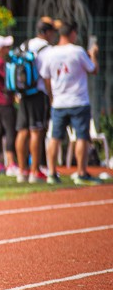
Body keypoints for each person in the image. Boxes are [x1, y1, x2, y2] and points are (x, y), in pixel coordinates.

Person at [40, 21, 100, 184]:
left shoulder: (50, 53)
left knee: (55, 137)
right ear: (73, 33)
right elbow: (93, 69)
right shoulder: (78, 51)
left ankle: (52, 173)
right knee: (81, 137)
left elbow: (45, 76)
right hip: (79, 101)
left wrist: (52, 96)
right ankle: (81, 172)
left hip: (59, 102)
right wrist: (93, 54)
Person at [15, 18, 57, 183]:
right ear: (46, 32)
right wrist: (51, 95)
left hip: (23, 94)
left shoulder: (25, 45)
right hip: (38, 94)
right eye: (52, 32)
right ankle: (34, 171)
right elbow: (47, 76)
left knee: (22, 131)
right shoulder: (47, 49)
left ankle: (21, 171)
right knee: (36, 131)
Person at [0, 35, 18, 175]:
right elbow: (10, 81)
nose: (8, 49)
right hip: (4, 103)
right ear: (0, 49)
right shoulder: (0, 63)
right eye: (6, 47)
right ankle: (11, 163)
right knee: (9, 131)